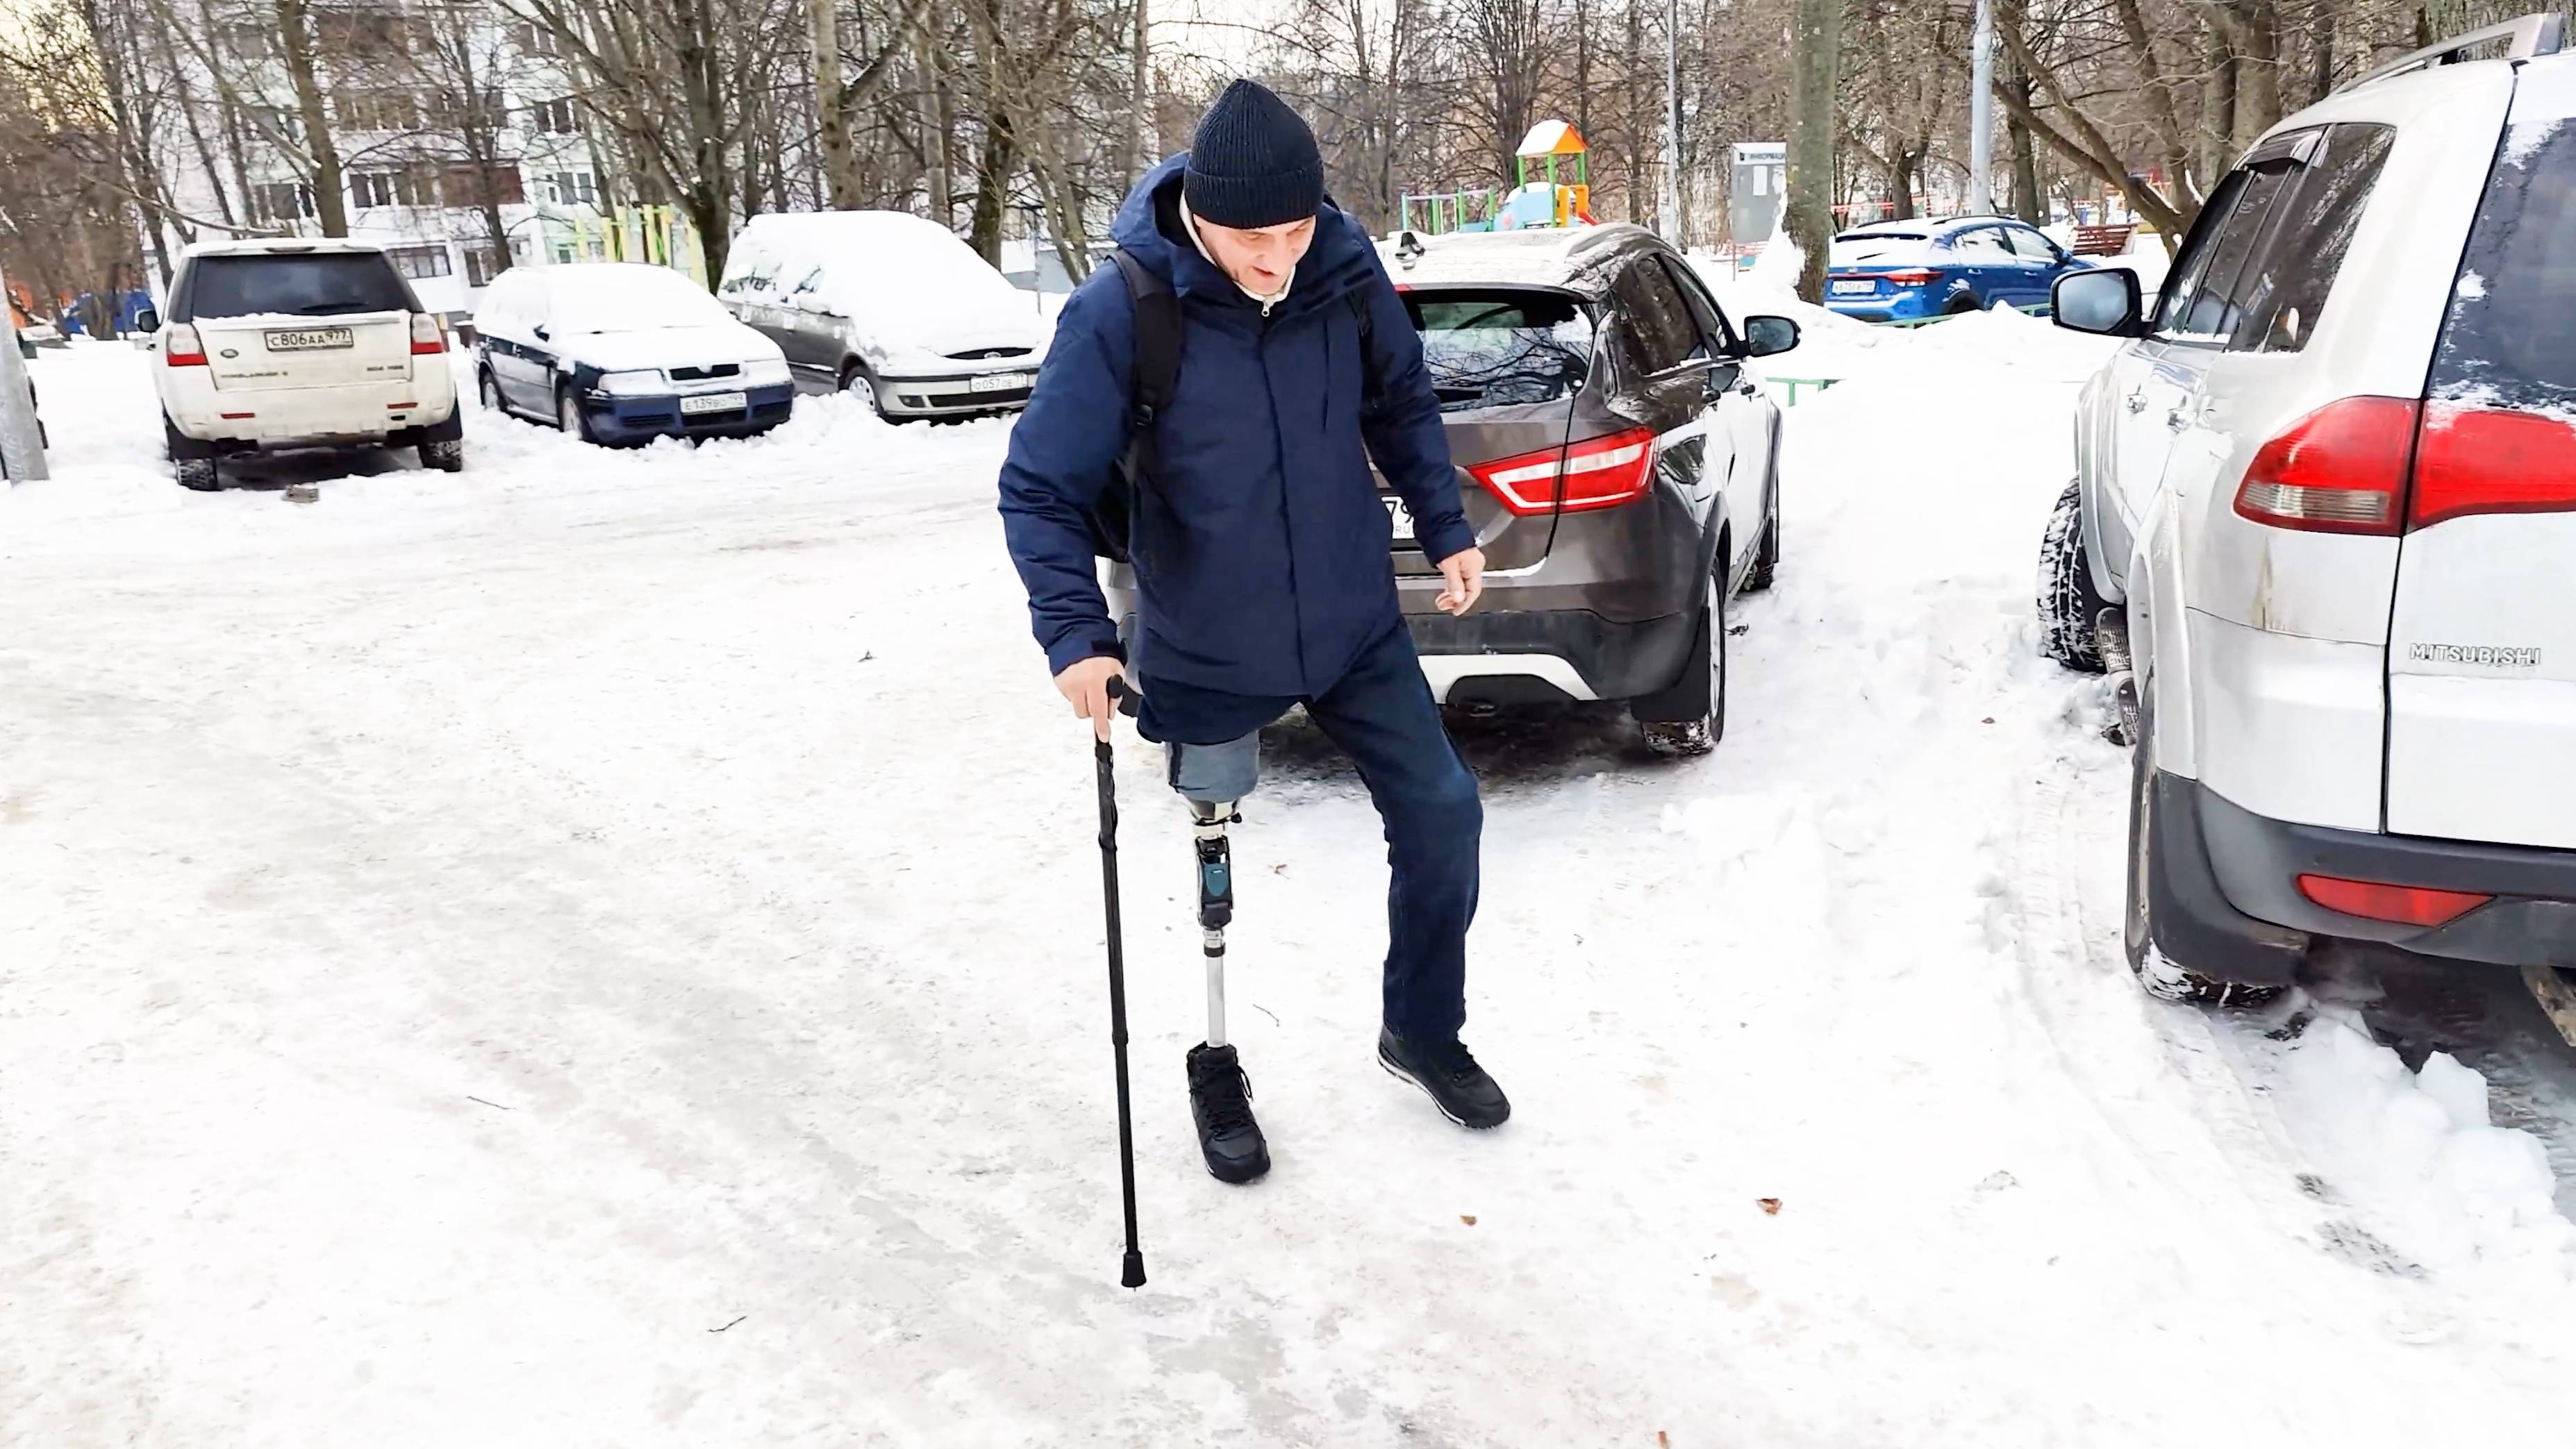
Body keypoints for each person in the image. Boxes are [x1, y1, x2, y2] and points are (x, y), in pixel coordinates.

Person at [997, 79, 1510, 1184]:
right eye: (1251, 238)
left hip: (1350, 625)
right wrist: (1076, 635)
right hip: (1204, 639)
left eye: (1295, 230)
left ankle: (1420, 1027)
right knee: (1213, 846)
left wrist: (1442, 523)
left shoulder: (1342, 267)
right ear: (1198, 215)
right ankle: (1217, 1055)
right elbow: (1038, 488)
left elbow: (1400, 399)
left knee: (1444, 814)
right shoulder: (1124, 309)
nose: (1277, 259)